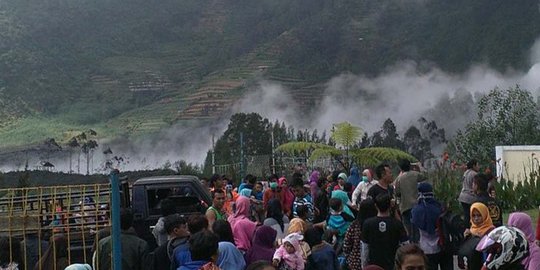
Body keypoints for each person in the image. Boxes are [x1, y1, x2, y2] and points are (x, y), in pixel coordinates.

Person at [411, 182, 453, 270]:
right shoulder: (440, 207)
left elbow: (414, 231)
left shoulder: (416, 211)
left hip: (426, 249)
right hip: (443, 247)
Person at [361, 193, 408, 270]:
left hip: (374, 265)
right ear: (390, 205)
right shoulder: (397, 224)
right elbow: (405, 244)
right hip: (393, 264)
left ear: (375, 206)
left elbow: (365, 247)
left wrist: (364, 265)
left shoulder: (367, 223)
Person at [394, 159, 426, 242]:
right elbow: (425, 175)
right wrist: (419, 166)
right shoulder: (415, 175)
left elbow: (397, 193)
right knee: (417, 228)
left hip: (405, 207)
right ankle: (418, 244)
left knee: (408, 229)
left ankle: (411, 243)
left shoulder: (399, 179)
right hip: (416, 205)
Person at [343, 198, 378, 270]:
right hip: (375, 262)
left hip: (356, 262)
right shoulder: (377, 225)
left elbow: (346, 244)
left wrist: (349, 258)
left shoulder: (355, 225)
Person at [458, 202, 495, 270]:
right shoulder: (471, 229)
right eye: (474, 216)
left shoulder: (492, 231)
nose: (476, 218)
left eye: (479, 215)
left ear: (485, 215)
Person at [459, 159, 480, 227]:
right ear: (474, 166)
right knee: (472, 215)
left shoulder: (466, 172)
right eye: (477, 165)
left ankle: (466, 228)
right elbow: (476, 186)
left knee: (466, 214)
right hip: (470, 197)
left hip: (462, 196)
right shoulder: (474, 174)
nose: (478, 167)